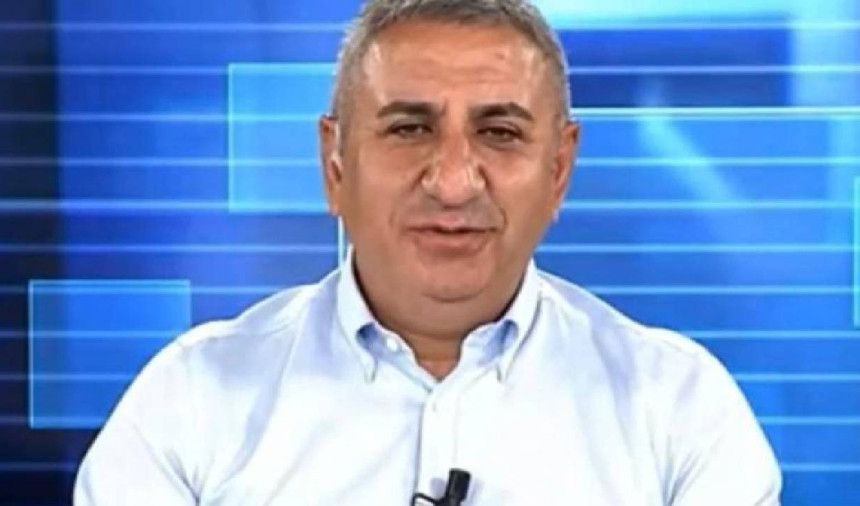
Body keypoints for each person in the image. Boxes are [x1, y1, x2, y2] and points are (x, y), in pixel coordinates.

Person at [74, 0, 782, 504]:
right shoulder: (190, 404)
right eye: (409, 129)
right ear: (335, 163)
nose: (452, 182)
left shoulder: (680, 410)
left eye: (499, 133)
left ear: (560, 169)